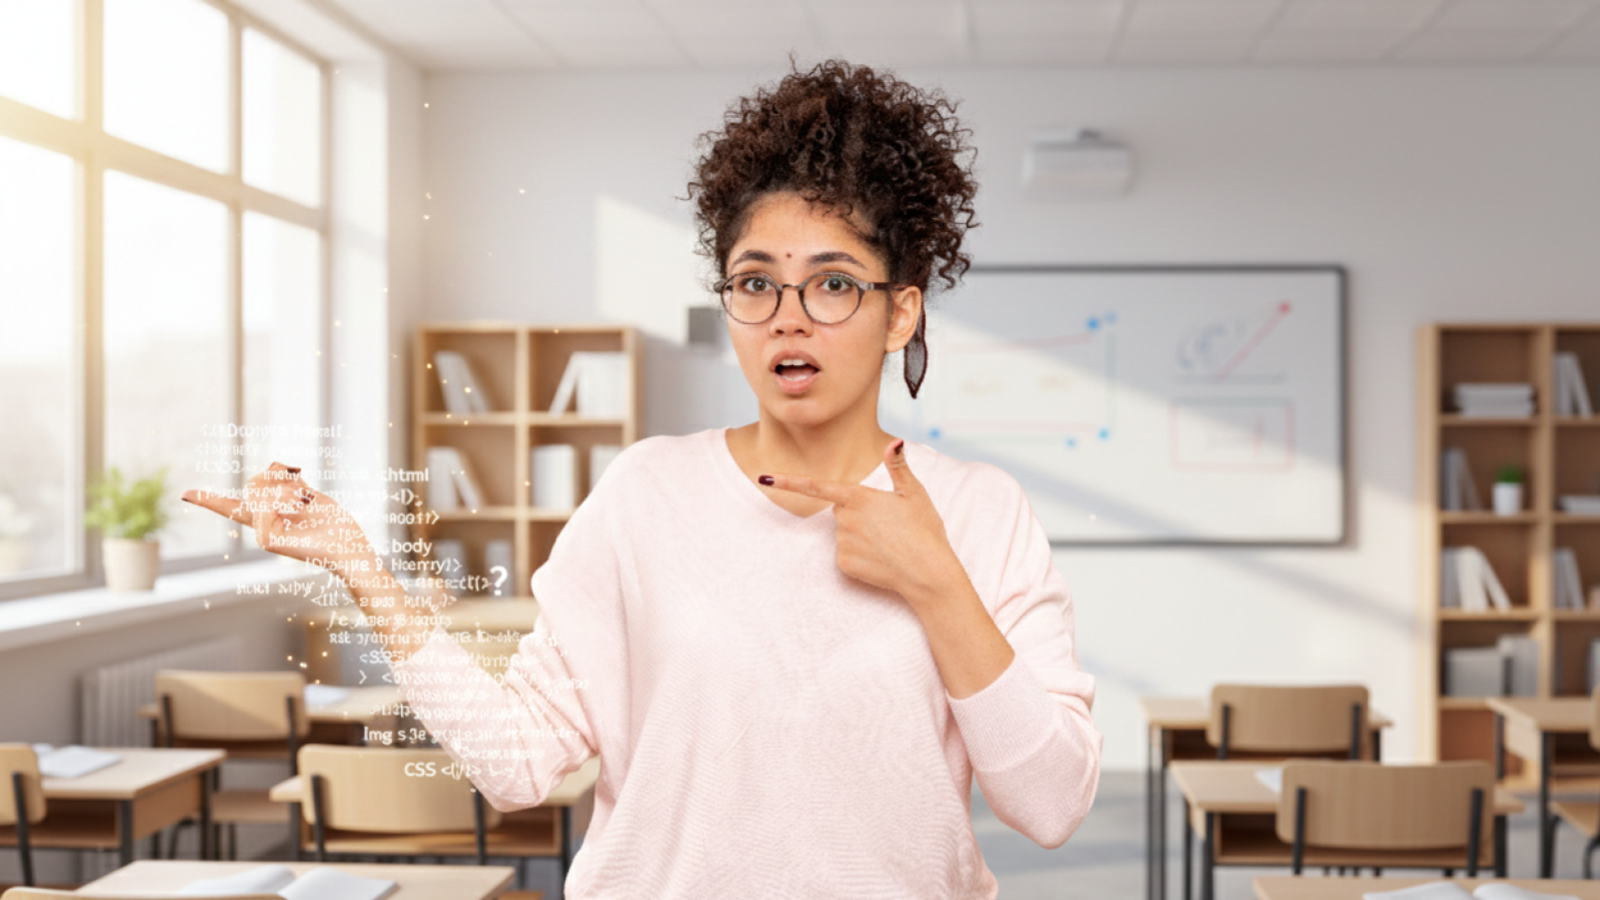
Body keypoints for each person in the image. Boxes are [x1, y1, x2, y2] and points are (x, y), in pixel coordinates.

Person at [185, 59, 1101, 898]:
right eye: (755, 283)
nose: (789, 318)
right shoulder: (645, 494)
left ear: (900, 311)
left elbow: (1052, 805)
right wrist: (360, 564)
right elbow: (517, 762)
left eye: (833, 284)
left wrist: (936, 582)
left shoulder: (981, 514)